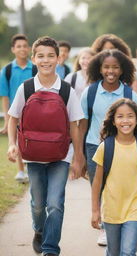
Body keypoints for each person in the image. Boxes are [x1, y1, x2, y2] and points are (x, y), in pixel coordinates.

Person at [7, 36, 85, 256]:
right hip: (33, 155)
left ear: (59, 59)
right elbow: (13, 117)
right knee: (38, 204)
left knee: (55, 204)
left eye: (51, 56)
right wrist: (12, 144)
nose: (46, 60)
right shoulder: (27, 87)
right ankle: (39, 230)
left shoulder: (66, 90)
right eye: (41, 56)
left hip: (60, 156)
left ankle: (51, 248)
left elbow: (75, 125)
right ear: (33, 59)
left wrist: (78, 157)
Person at [80, 49, 137, 246]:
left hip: (122, 147)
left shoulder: (129, 94)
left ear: (122, 69)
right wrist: (79, 155)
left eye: (115, 67)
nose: (111, 71)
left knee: (118, 187)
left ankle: (123, 221)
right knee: (98, 187)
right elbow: (82, 124)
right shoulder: (90, 93)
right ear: (99, 69)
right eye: (106, 67)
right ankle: (104, 228)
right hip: (94, 146)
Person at [91, 98, 137, 256]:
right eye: (120, 117)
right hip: (111, 209)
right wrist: (95, 210)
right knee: (113, 252)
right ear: (113, 121)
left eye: (130, 116)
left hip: (135, 207)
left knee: (128, 252)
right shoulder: (105, 147)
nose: (125, 121)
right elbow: (97, 181)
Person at [0, 33, 37, 183]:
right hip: (15, 113)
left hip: (34, 112)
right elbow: (5, 96)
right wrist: (6, 120)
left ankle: (30, 168)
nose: (22, 49)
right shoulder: (7, 70)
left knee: (32, 141)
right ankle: (21, 171)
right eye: (18, 46)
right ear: (13, 49)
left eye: (25, 46)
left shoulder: (35, 69)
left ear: (29, 49)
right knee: (18, 141)